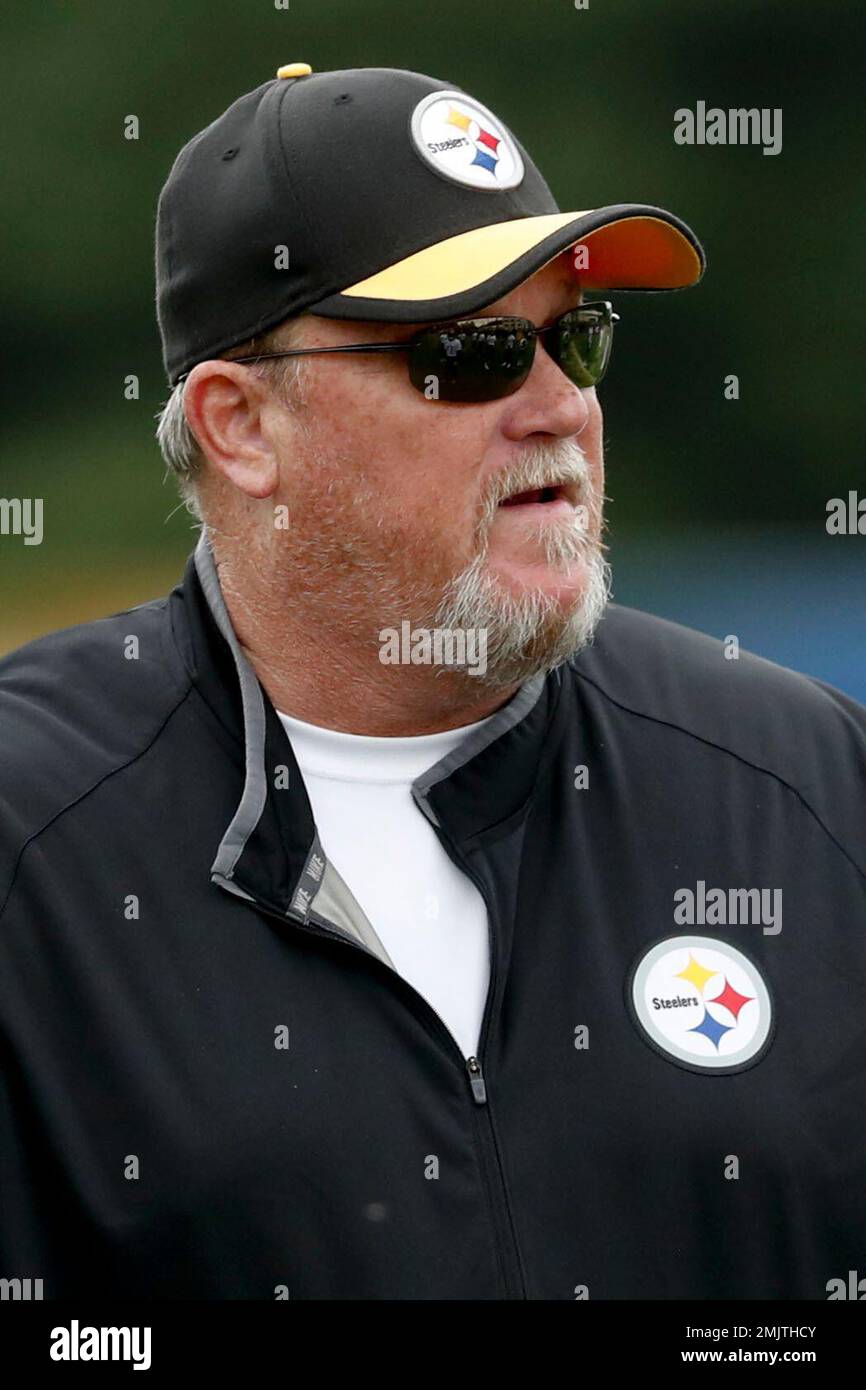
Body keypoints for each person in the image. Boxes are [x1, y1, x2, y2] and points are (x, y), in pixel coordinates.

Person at [1, 63, 864, 1302]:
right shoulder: (32, 836)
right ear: (241, 425)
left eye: (575, 336)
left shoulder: (810, 784)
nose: (560, 404)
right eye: (469, 354)